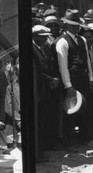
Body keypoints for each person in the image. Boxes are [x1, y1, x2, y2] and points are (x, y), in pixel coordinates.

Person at [56, 9, 93, 145]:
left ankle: (85, 137)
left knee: (85, 108)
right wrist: (68, 85)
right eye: (72, 24)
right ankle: (68, 141)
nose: (75, 27)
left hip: (83, 78)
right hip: (72, 80)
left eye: (77, 24)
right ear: (66, 25)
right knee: (70, 111)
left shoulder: (82, 39)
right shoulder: (62, 42)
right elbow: (63, 66)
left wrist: (90, 78)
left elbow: (87, 60)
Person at [32, 25, 61, 156]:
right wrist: (51, 79)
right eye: (42, 37)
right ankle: (41, 147)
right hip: (40, 88)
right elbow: (37, 72)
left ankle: (49, 144)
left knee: (49, 117)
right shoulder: (32, 50)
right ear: (35, 36)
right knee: (41, 120)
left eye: (45, 37)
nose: (45, 39)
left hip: (49, 89)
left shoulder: (45, 48)